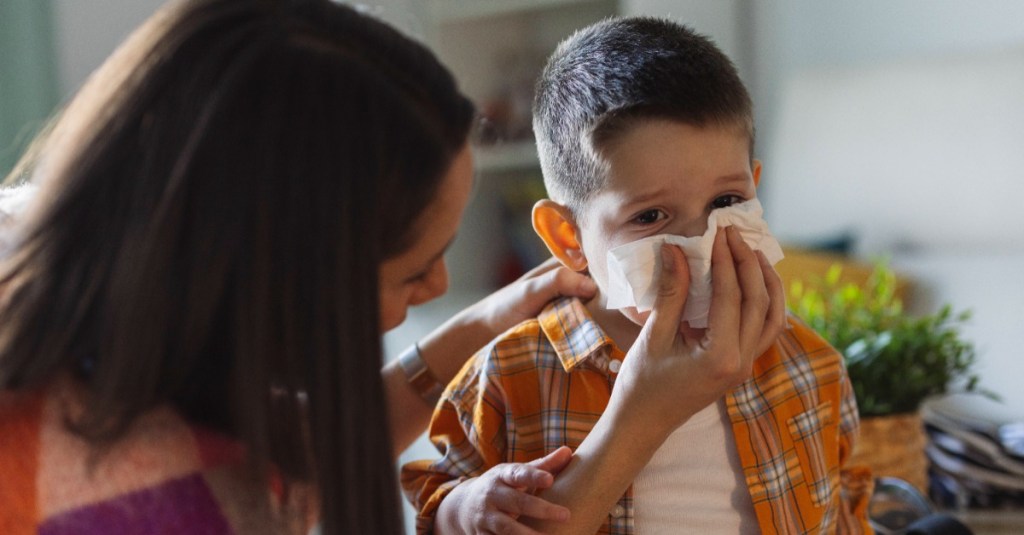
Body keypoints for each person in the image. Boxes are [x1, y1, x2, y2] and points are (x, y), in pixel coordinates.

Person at [0, 1, 783, 534]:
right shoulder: (134, 496)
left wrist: (471, 329)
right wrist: (640, 414)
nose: (441, 290)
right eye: (415, 271)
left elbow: (284, 444)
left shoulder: (114, 338)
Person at [402, 17, 872, 534]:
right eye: (650, 217)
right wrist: (464, 509)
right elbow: (436, 506)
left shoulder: (809, 363)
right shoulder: (506, 379)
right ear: (568, 238)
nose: (702, 244)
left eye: (726, 201)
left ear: (754, 189)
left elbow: (844, 506)